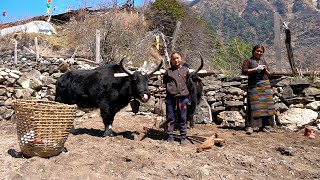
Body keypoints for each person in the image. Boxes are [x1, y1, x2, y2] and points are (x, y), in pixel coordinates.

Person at [242, 45, 276, 135]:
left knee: (266, 105)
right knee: (253, 105)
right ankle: (251, 126)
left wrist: (265, 69)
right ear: (253, 51)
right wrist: (255, 69)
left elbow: (269, 74)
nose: (259, 53)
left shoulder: (263, 61)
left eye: (261, 52)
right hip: (253, 84)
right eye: (257, 51)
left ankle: (265, 125)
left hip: (264, 84)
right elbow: (244, 71)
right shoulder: (248, 60)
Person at [162, 52, 190, 145]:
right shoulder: (168, 72)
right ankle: (170, 136)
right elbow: (165, 82)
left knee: (183, 118)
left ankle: (183, 137)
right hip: (171, 98)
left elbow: (188, 83)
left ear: (181, 58)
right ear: (171, 60)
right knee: (170, 117)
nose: (176, 60)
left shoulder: (186, 70)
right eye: (174, 59)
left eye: (177, 58)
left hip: (183, 98)